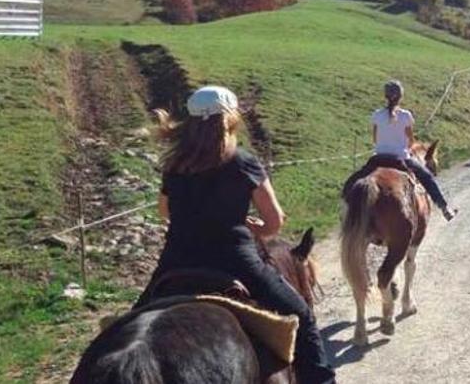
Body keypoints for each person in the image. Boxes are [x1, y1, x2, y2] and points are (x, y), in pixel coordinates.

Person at [137, 86, 336, 383]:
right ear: (230, 119)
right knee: (302, 316)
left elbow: (165, 212)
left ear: (191, 122)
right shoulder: (242, 161)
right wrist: (252, 226)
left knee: (132, 325)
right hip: (235, 260)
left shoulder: (175, 164)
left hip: (176, 259)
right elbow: (274, 223)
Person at [371, 80, 458, 221]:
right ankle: (444, 208)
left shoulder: (376, 115)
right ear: (401, 97)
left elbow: (375, 139)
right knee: (427, 178)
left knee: (357, 177)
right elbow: (411, 141)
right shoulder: (405, 116)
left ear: (385, 96)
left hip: (378, 158)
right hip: (400, 158)